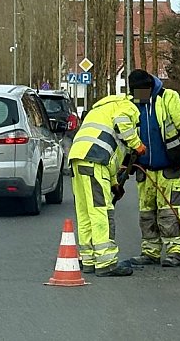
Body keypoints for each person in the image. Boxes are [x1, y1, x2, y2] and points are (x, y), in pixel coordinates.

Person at [69, 93, 146, 277]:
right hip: (95, 159)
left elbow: (111, 155)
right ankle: (106, 262)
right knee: (101, 211)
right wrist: (137, 144)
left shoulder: (101, 109)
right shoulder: (126, 105)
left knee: (86, 211)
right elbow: (122, 122)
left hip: (78, 159)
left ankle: (89, 260)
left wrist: (113, 183)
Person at [126, 69, 180, 268]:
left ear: (149, 87)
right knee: (147, 212)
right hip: (144, 168)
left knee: (168, 211)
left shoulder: (168, 98)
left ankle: (175, 250)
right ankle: (150, 252)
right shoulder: (132, 104)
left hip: (169, 165)